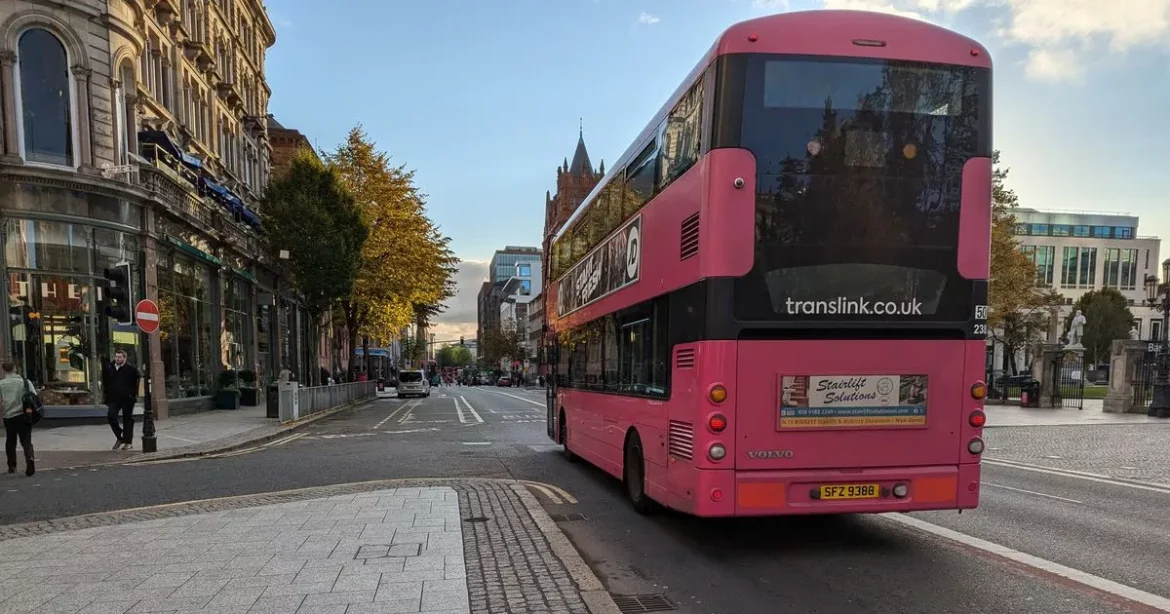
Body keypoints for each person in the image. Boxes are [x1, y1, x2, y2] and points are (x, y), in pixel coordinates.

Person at [0, 361, 35, 475]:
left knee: (10, 440)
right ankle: (30, 459)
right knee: (26, 440)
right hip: (24, 414)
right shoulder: (25, 382)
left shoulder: (1, 384)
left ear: (3, 370)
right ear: (15, 368)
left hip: (8, 415)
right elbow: (34, 395)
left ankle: (12, 465)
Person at [102, 349, 141, 451]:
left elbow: (137, 382)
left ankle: (128, 442)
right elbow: (106, 382)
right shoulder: (110, 368)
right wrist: (106, 396)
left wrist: (132, 394)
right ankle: (120, 436)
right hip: (113, 398)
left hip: (127, 398)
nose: (117, 359)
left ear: (125, 358)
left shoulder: (131, 369)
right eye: (116, 357)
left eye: (119, 357)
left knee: (127, 419)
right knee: (111, 416)